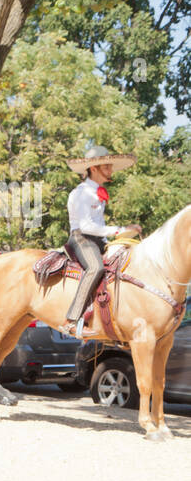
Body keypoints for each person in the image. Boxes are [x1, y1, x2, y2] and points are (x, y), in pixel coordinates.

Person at [62, 144, 137, 339]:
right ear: (93, 169)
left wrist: (121, 237)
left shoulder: (97, 192)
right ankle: (71, 321)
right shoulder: (81, 192)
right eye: (106, 167)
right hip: (81, 238)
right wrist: (119, 230)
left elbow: (99, 224)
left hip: (97, 239)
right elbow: (86, 226)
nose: (110, 170)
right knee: (95, 267)